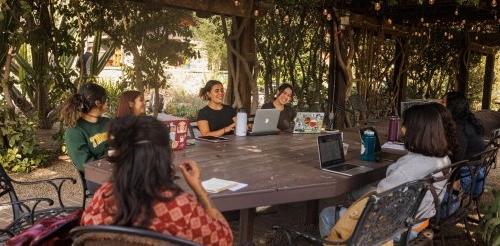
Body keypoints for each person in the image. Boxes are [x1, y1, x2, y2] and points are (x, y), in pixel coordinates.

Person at [81, 116, 233, 245]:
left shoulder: (102, 197)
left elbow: (85, 230)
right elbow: (225, 239)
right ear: (165, 156)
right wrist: (199, 190)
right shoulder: (182, 207)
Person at [319, 104, 451, 241]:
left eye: (404, 124)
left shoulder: (408, 169)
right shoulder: (444, 159)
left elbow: (379, 201)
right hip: (421, 219)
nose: (402, 128)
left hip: (398, 227)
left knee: (327, 214)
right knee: (359, 193)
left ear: (414, 130)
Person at [61, 83, 109, 173]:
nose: (107, 103)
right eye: (106, 100)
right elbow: (85, 164)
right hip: (97, 175)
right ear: (98, 103)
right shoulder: (74, 131)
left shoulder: (108, 122)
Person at [445, 92, 485, 162]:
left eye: (443, 102)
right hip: (476, 166)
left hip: (467, 169)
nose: (440, 104)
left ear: (451, 107)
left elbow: (457, 159)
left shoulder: (460, 128)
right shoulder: (469, 120)